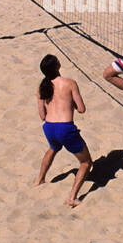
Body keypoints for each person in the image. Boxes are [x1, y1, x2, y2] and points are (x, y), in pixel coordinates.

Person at [34, 54, 93, 208]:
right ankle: (72, 197)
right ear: (57, 66)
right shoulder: (69, 83)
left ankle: (39, 180)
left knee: (54, 148)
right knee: (86, 162)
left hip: (49, 128)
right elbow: (81, 109)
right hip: (65, 129)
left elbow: (42, 116)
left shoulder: (41, 88)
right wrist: (70, 104)